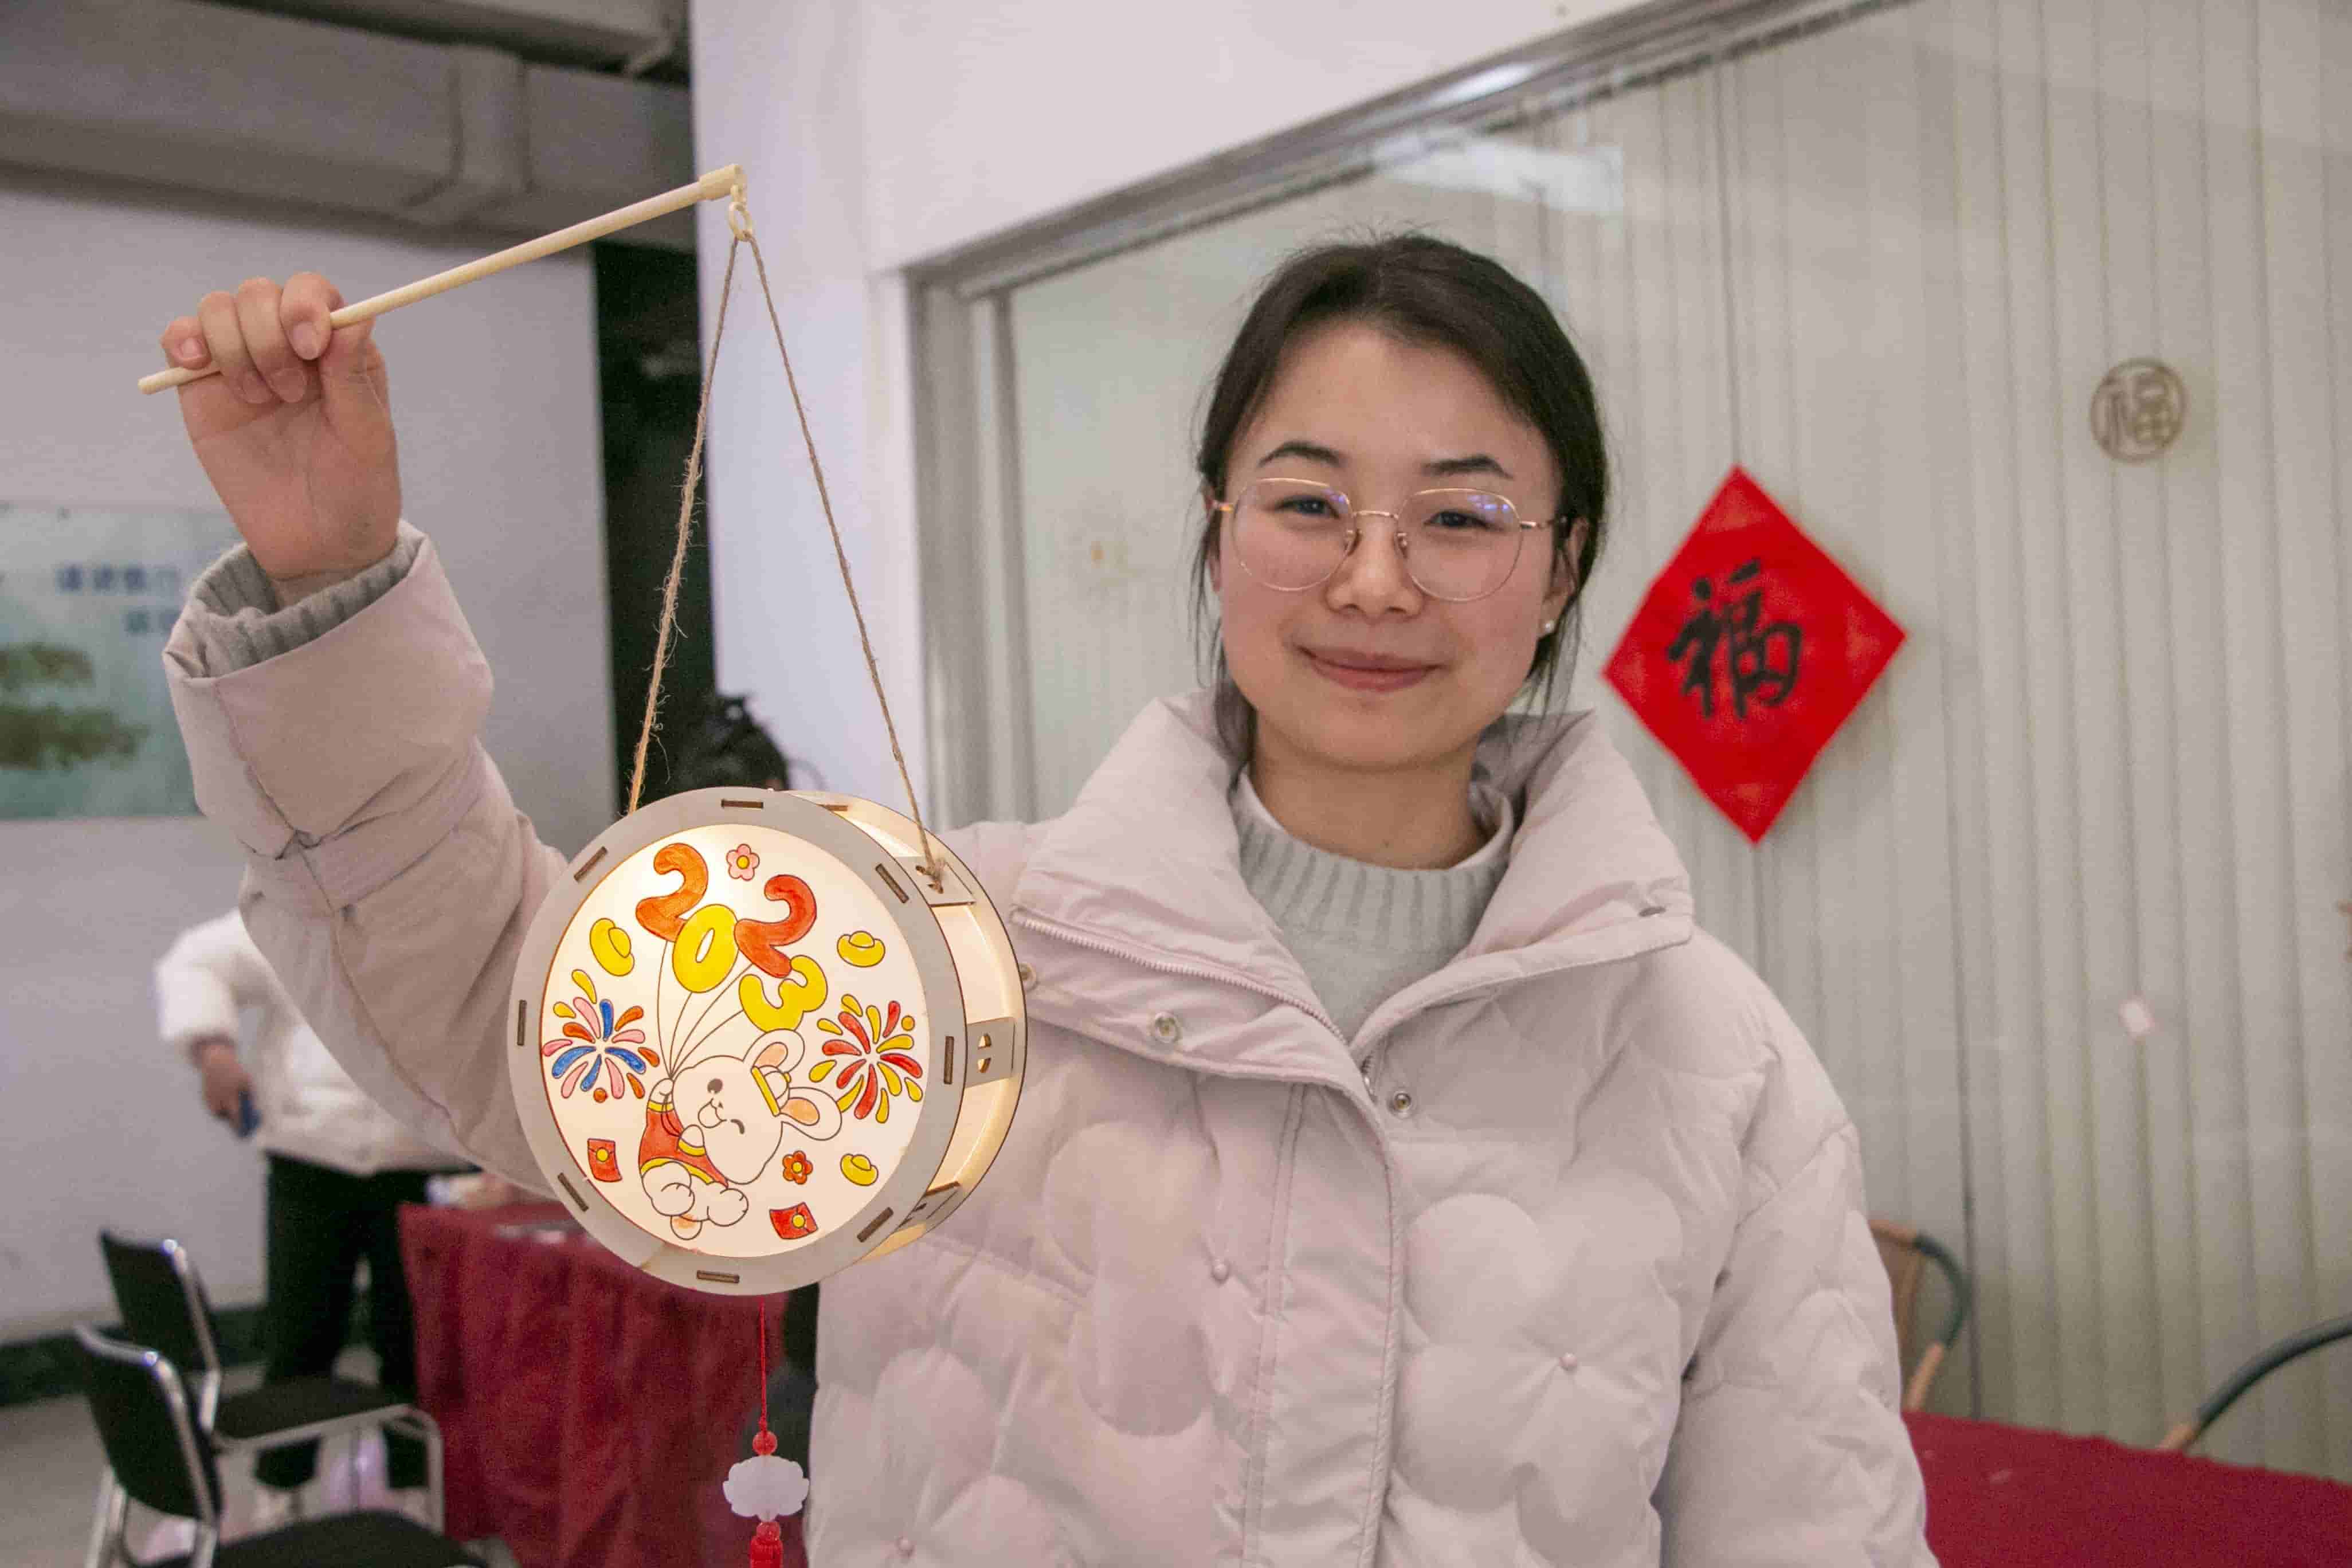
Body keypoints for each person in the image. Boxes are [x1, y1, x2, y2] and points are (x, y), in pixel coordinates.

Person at [155, 238, 1935, 1563]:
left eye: (1463, 519)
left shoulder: (1717, 1069)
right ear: (1218, 533)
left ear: (1560, 572)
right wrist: (331, 584)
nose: (1376, 578)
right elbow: (511, 1022)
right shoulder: (950, 952)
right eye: (1309, 502)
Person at [154, 908, 459, 1522]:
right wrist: (213, 1051)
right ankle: (281, 1492)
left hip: (424, 1160)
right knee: (299, 1341)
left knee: (415, 1347)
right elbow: (196, 961)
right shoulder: (298, 910)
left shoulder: (450, 905)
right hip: (309, 1157)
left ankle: (417, 1495)